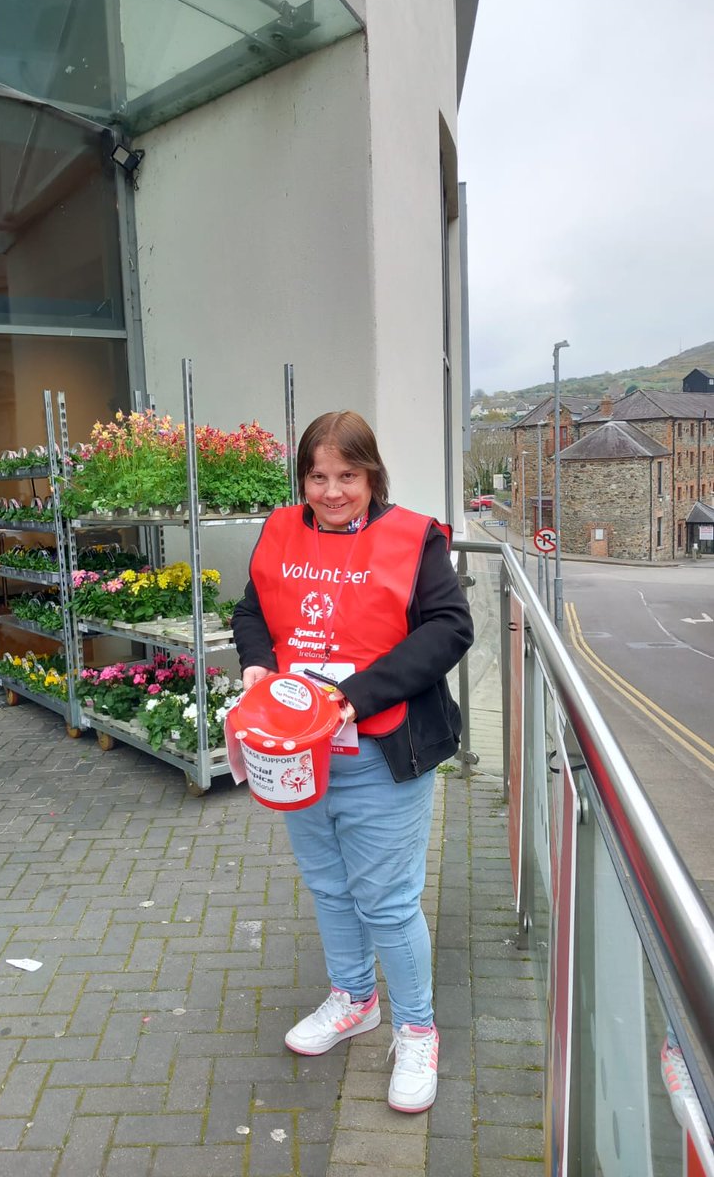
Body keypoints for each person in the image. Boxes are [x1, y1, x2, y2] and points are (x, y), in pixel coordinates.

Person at [232, 410, 473, 1113]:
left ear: (372, 474)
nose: (332, 490)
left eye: (347, 475)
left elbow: (451, 627)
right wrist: (255, 663)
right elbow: (252, 612)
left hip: (382, 750)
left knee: (388, 901)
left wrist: (352, 698)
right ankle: (355, 1000)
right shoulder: (281, 532)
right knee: (331, 888)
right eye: (318, 475)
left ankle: (418, 1029)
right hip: (302, 756)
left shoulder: (413, 539)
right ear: (302, 478)